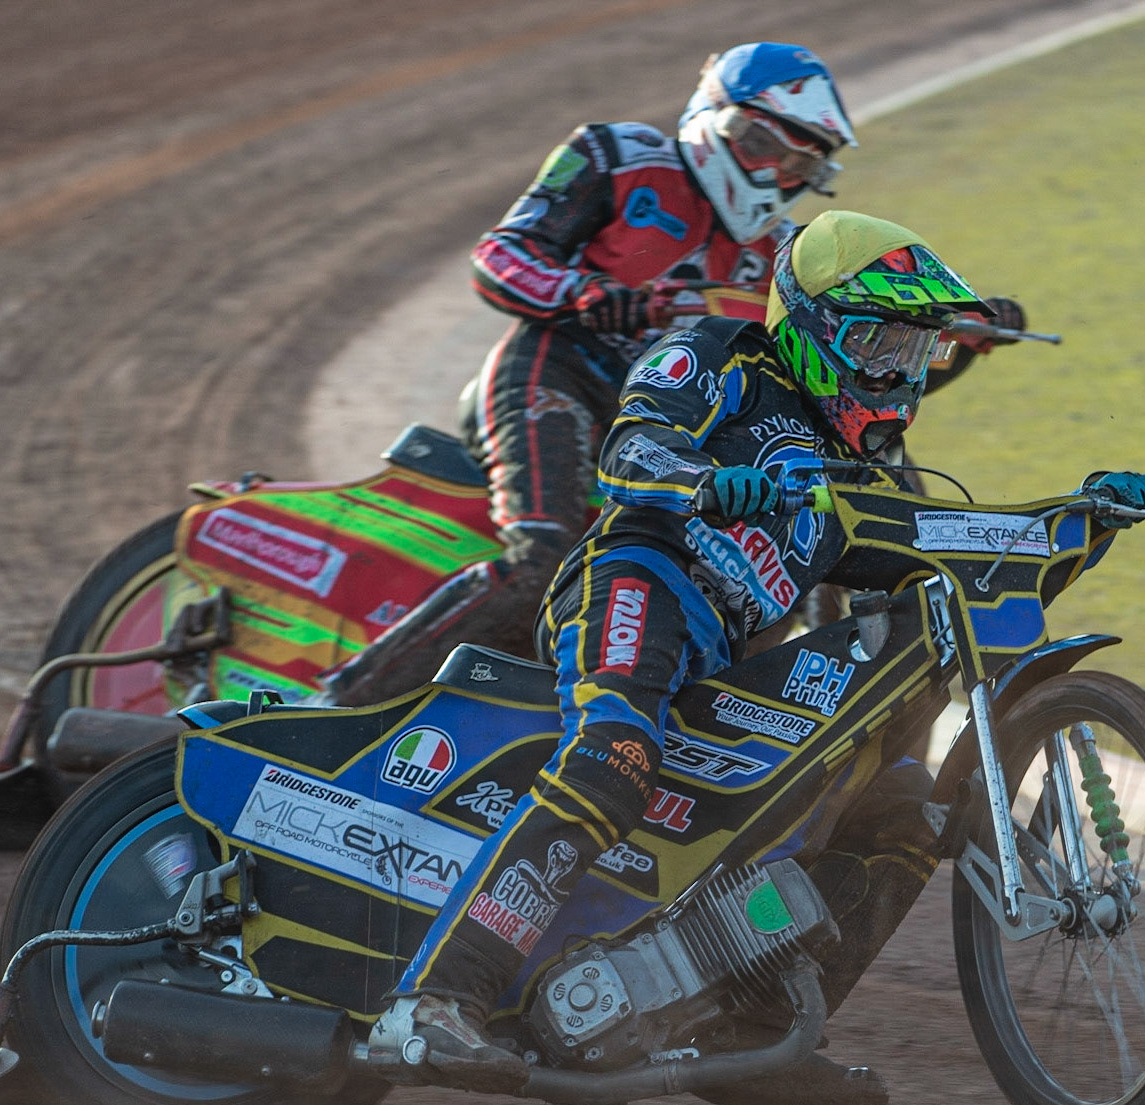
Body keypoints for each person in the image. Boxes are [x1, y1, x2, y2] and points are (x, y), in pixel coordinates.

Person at [367, 210, 1145, 1105]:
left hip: (725, 658)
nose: (900, 373)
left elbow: (955, 553)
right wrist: (705, 479)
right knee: (616, 757)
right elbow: (628, 450)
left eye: (916, 350)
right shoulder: (716, 353)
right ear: (816, 325)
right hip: (635, 582)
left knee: (901, 806)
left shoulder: (859, 465)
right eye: (881, 342)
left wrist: (1079, 522)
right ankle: (434, 998)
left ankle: (751, 1032)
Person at [318, 42, 858, 707]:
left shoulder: (782, 254)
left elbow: (823, 368)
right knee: (541, 553)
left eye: (799, 163)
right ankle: (332, 703)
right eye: (759, 146)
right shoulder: (618, 157)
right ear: (714, 118)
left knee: (752, 573)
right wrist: (583, 293)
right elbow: (501, 254)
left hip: (671, 429)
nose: (774, 174)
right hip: (558, 375)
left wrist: (926, 338)